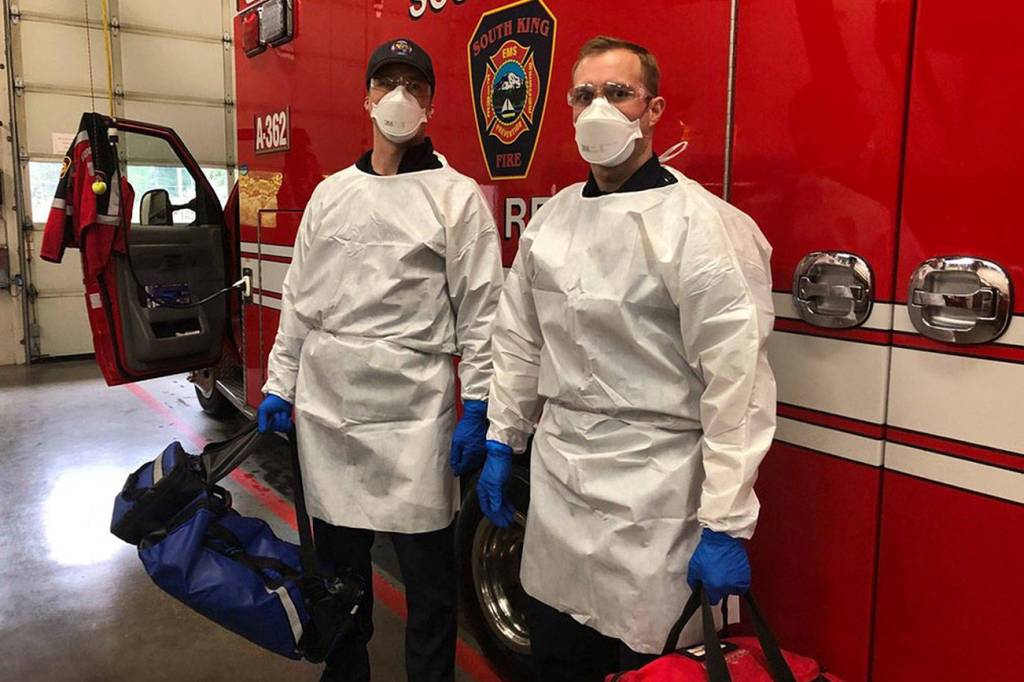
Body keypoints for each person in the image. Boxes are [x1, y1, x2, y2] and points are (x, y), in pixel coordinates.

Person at [476, 35, 777, 680]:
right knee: (558, 657)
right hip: (560, 487)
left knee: (650, 662)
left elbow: (737, 383)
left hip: (657, 496)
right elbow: (519, 339)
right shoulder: (551, 222)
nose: (599, 109)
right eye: (584, 95)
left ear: (654, 109)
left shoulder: (702, 226)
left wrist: (726, 521)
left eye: (619, 93)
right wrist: (503, 437)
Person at [257, 38, 504, 682]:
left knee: (430, 589)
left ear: (431, 104)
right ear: (365, 97)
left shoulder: (456, 198)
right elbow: (300, 302)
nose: (399, 96)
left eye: (413, 85)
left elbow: (483, 314)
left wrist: (479, 405)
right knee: (340, 583)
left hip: (413, 418)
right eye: (386, 82)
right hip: (329, 414)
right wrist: (280, 384)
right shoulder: (330, 195)